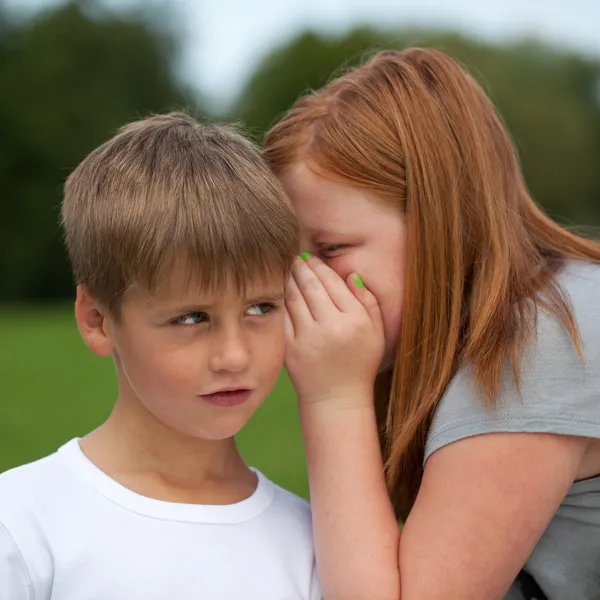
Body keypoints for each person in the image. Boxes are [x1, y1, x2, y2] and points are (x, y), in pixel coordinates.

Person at [263, 48, 600, 600]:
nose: (302, 285)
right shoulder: (563, 298)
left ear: (440, 222)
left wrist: (335, 398)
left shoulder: (533, 348)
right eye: (289, 259)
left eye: (330, 249)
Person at [0, 113, 320, 600]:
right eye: (191, 318)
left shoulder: (312, 542)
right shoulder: (22, 526)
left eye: (261, 307)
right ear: (97, 320)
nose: (234, 355)